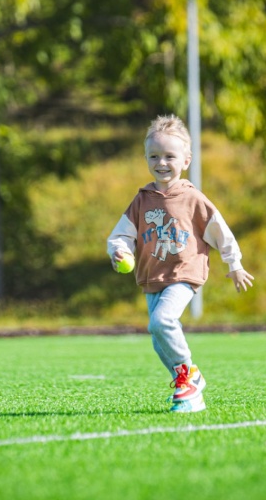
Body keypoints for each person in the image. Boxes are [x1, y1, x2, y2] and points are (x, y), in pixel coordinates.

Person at [106, 114, 254, 413]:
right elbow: (121, 235)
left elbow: (220, 232)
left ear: (186, 160)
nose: (161, 162)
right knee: (158, 337)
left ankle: (189, 375)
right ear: (146, 158)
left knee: (162, 321)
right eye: (154, 156)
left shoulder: (193, 198)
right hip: (152, 276)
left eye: (169, 156)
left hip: (184, 274)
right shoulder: (142, 200)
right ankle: (186, 385)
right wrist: (119, 251)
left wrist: (234, 263)